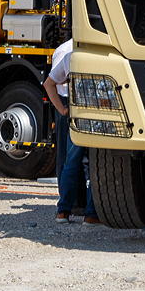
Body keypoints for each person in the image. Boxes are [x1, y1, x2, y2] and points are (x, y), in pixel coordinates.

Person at [43, 39, 99, 225]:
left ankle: (63, 212)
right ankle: (91, 214)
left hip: (76, 114)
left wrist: (63, 110)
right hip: (96, 115)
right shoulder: (101, 54)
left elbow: (49, 84)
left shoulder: (68, 56)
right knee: (94, 164)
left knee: (71, 162)